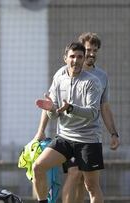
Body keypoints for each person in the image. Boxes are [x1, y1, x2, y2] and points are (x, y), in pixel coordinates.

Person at [34, 33, 120, 203]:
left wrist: (113, 133)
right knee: (40, 167)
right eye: (73, 56)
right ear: (65, 58)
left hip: (88, 139)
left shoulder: (95, 80)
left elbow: (97, 110)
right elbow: (53, 110)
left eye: (80, 56)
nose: (90, 54)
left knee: (90, 185)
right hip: (65, 138)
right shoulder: (59, 77)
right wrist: (48, 115)